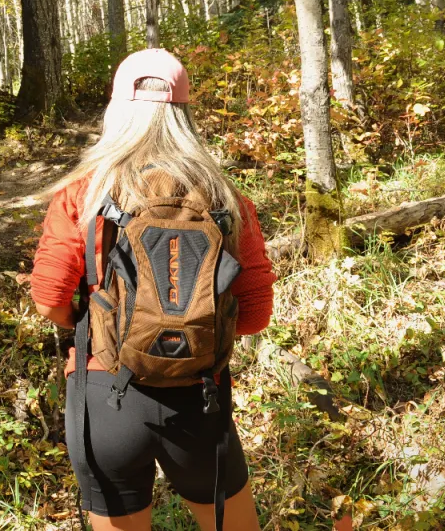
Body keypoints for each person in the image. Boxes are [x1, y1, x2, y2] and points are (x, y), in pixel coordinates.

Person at [30, 49, 276, 531]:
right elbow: (255, 313)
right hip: (199, 396)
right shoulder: (225, 196)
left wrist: (99, 323)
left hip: (105, 390)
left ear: (116, 111)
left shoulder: (86, 193)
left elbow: (50, 298)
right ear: (184, 114)